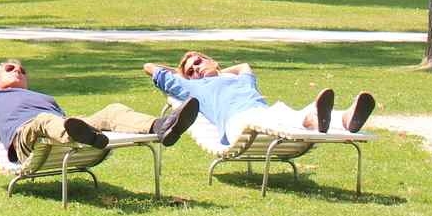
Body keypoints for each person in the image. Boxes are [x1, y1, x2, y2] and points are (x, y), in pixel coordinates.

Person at [0, 59, 200, 163]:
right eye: (9, 68)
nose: (18, 70)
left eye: (22, 70)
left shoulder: (41, 97)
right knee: (45, 119)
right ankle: (86, 136)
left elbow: (63, 120)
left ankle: (162, 127)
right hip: (24, 137)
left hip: (59, 127)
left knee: (112, 111)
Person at [144, 51, 376, 144]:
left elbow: (245, 66)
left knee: (283, 111)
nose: (196, 69)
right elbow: (150, 66)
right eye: (191, 71)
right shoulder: (191, 88)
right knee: (283, 114)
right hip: (238, 124)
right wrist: (181, 74)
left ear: (211, 60)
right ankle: (312, 121)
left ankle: (345, 118)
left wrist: (218, 71)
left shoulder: (240, 80)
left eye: (198, 62)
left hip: (266, 116)